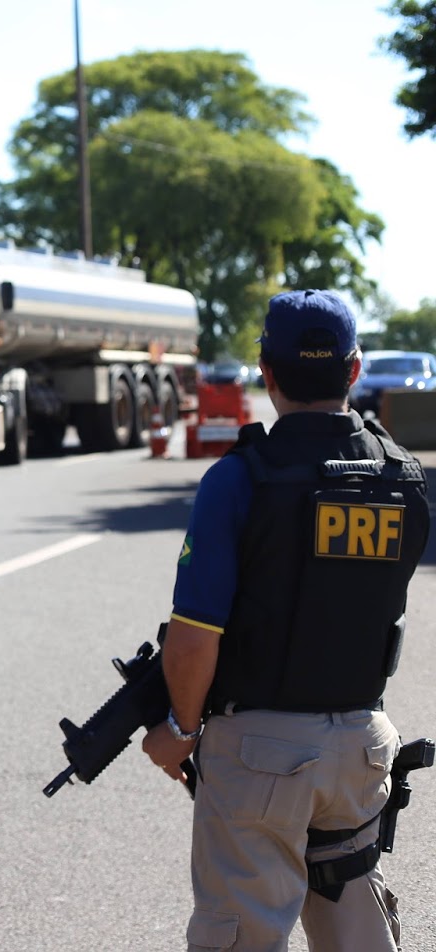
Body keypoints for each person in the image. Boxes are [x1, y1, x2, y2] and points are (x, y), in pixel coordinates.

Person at [142, 289, 429, 952]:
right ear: (355, 369)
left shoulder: (240, 480)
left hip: (260, 756)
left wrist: (180, 730)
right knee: (358, 933)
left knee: (241, 935)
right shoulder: (403, 478)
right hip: (363, 749)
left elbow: (193, 639)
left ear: (265, 372)